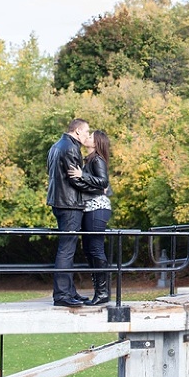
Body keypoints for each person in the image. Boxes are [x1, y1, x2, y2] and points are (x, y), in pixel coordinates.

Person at [46, 118, 94, 307]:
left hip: (59, 202)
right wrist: (96, 186)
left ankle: (68, 291)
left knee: (67, 248)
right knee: (66, 249)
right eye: (86, 132)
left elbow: (52, 173)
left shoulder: (55, 146)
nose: (87, 135)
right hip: (69, 203)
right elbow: (76, 179)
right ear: (77, 131)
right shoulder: (71, 148)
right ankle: (62, 295)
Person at [68, 130, 113, 305]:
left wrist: (82, 175)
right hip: (90, 207)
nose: (86, 138)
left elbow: (103, 182)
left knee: (95, 248)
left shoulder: (97, 159)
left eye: (90, 136)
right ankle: (100, 291)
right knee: (88, 249)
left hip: (97, 207)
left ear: (96, 142)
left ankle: (102, 293)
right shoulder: (90, 159)